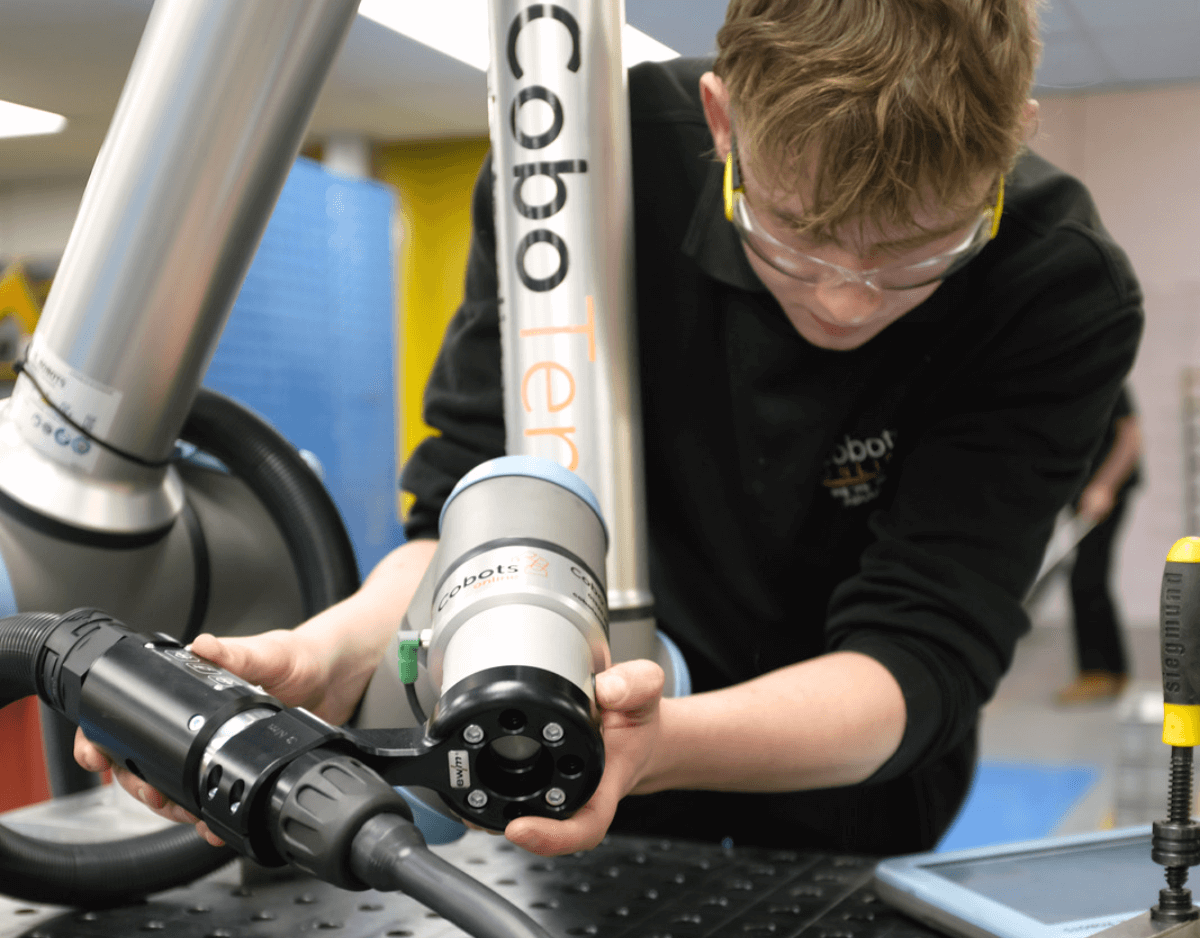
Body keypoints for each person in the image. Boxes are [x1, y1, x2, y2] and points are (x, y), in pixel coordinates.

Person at [78, 0, 1142, 859]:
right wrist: (330, 652)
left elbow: (921, 654)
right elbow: (473, 512)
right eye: (798, 240)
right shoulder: (580, 164)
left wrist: (662, 742)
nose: (849, 302)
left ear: (1013, 144)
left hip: (851, 804)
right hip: (579, 788)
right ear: (724, 122)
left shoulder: (1057, 285)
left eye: (917, 255)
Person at [1054, 390, 1143, 704]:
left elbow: (1130, 438)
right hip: (1081, 497)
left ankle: (1096, 674)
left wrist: (1104, 485)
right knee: (1092, 580)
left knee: (1085, 580)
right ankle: (1115, 672)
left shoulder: (1105, 374)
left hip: (1104, 494)